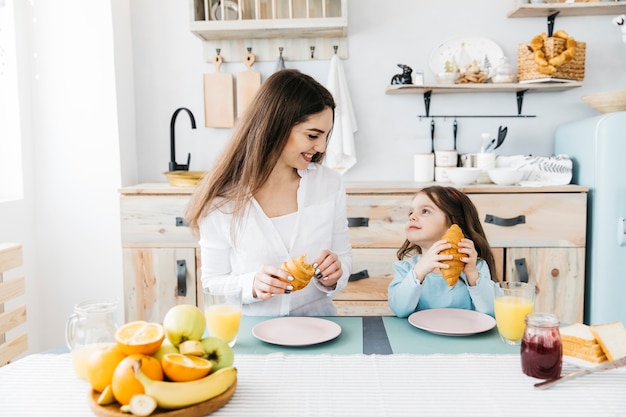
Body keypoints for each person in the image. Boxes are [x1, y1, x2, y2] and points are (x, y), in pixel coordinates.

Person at [185, 69, 352, 317]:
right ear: (277, 126)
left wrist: (333, 276)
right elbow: (213, 282)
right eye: (313, 135)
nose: (320, 147)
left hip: (318, 326)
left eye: (326, 136)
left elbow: (344, 260)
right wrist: (250, 284)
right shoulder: (222, 199)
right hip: (252, 332)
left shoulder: (330, 184)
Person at [388, 186, 497, 318]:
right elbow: (399, 310)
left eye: (425, 211)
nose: (412, 217)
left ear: (454, 222)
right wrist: (419, 271)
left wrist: (473, 275)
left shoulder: (476, 267)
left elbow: (492, 311)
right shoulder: (406, 269)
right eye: (411, 213)